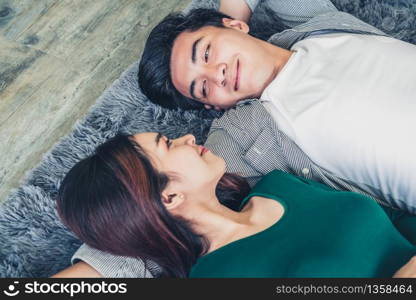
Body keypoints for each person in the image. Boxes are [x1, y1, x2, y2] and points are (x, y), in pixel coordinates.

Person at [138, 0, 416, 215]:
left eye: (208, 53)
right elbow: (158, 207)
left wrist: (232, 14)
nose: (217, 73)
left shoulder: (315, 25)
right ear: (212, 105)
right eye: (202, 87)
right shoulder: (243, 134)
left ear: (235, 26)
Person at [55, 132, 416, 278]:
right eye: (168, 143)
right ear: (168, 197)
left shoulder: (281, 183)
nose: (188, 136)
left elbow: (397, 220)